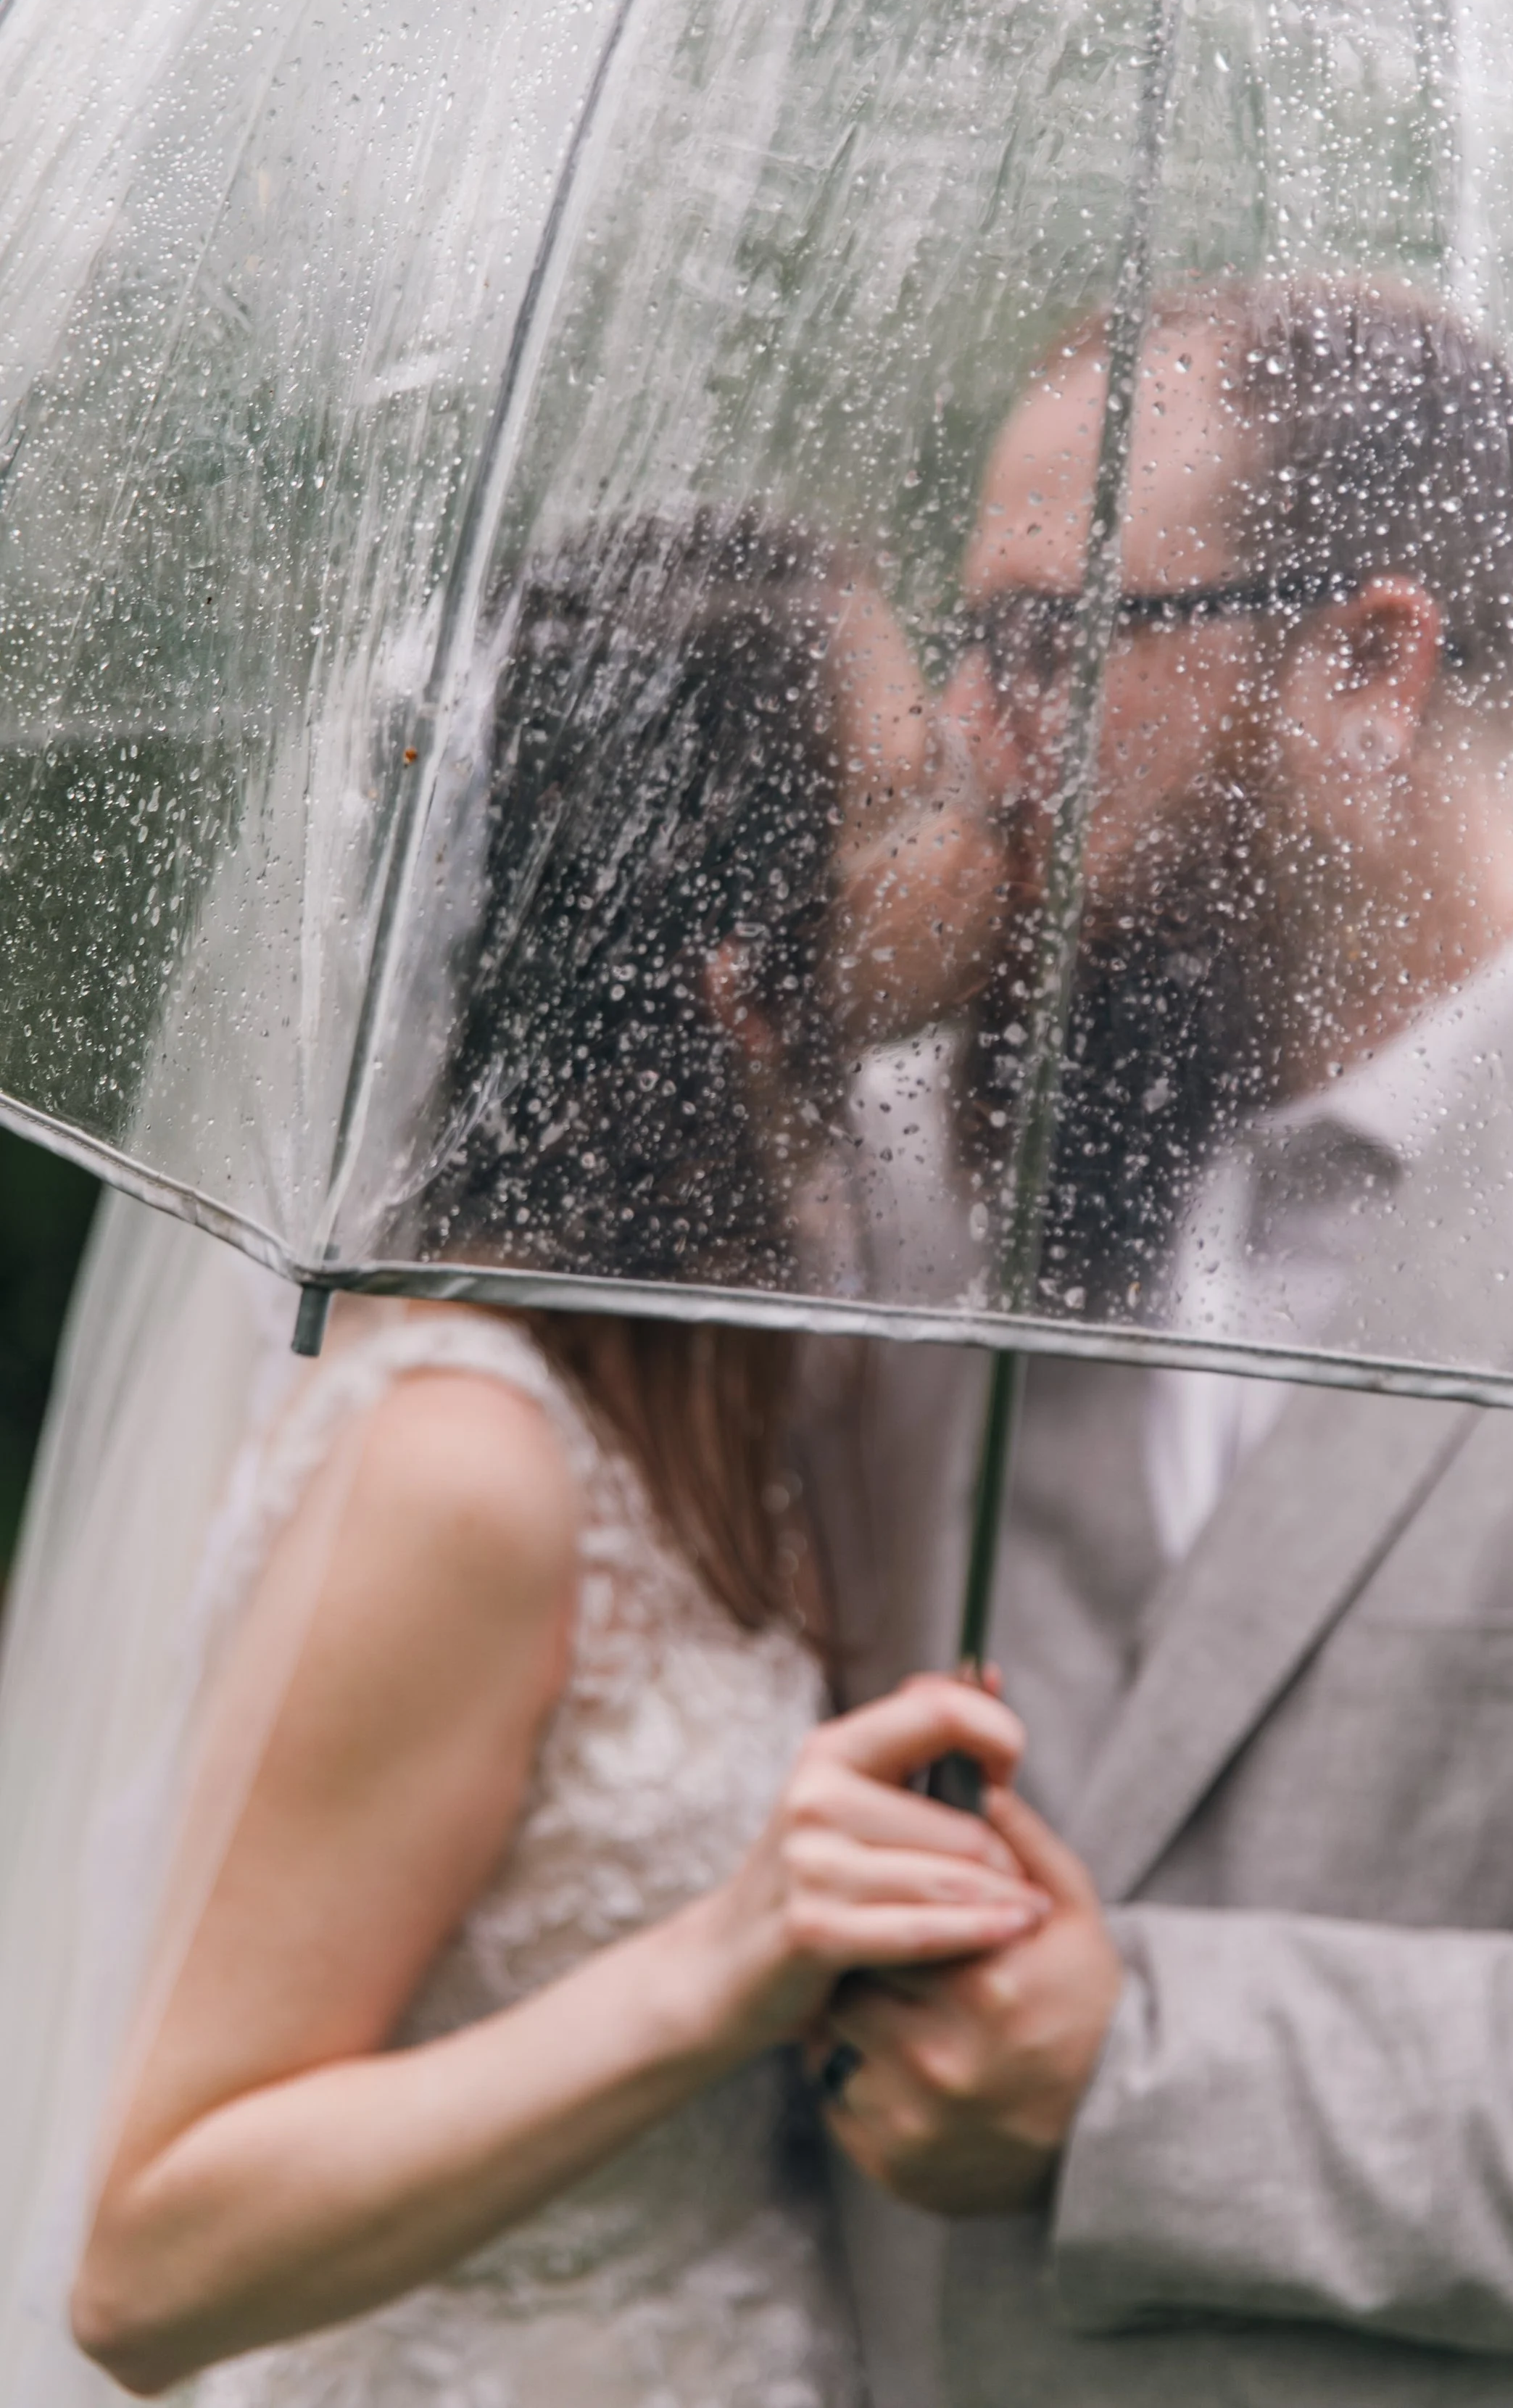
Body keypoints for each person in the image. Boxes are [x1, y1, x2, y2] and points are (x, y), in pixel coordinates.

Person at [803, 279, 1513, 2405]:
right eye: (967, 636)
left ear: (1366, 662)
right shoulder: (881, 1176)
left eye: (1050, 643)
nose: (974, 732)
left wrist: (1132, 2068)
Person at [52, 510, 1042, 2407]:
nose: (989, 797)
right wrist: (728, 1957)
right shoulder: (460, 1468)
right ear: (740, 982)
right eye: (909, 784)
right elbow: (153, 2259)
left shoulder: (739, 1348)